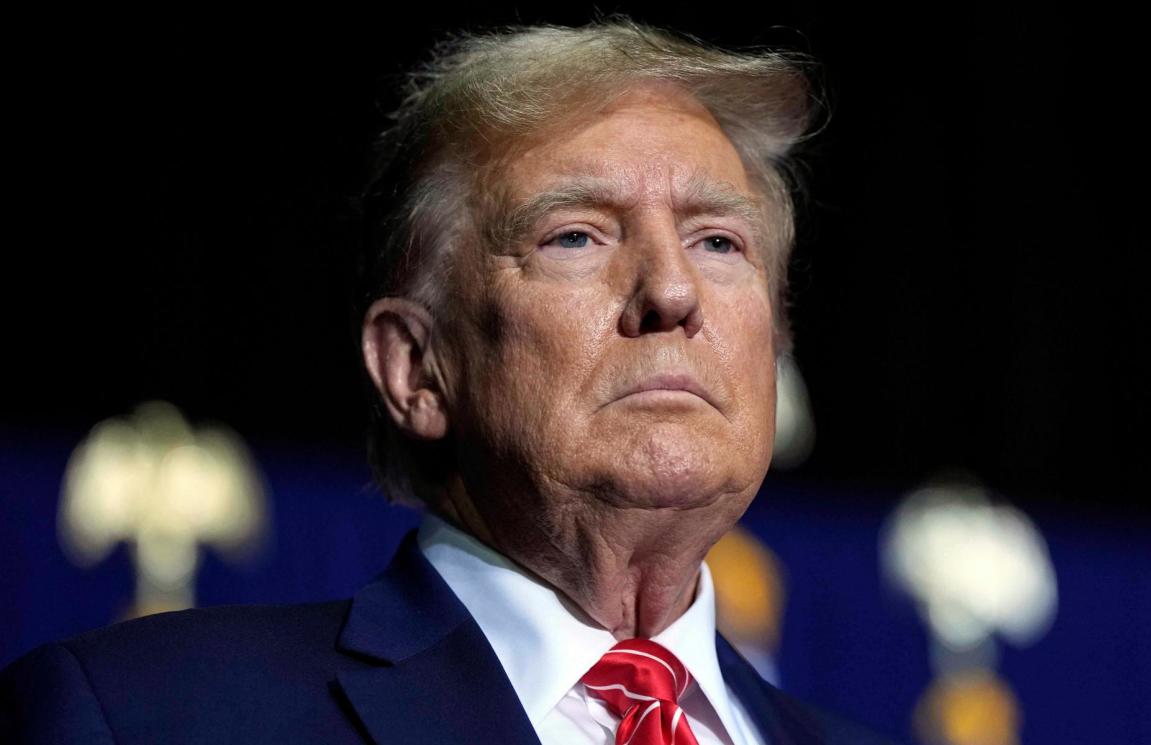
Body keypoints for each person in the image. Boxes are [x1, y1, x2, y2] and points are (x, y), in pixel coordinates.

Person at [2, 19, 882, 745]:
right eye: (576, 235)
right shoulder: (142, 716)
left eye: (718, 241)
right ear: (417, 367)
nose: (673, 291)